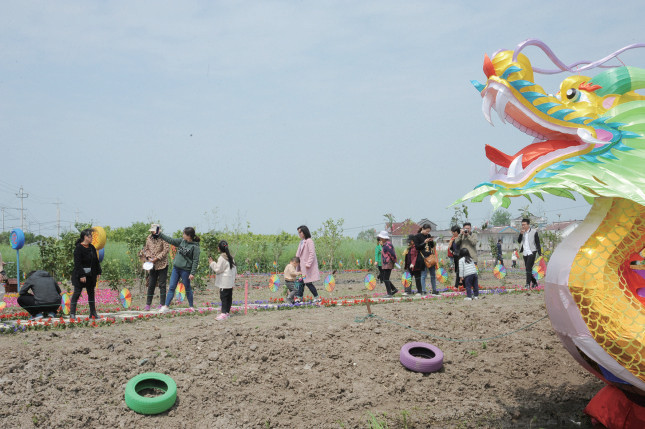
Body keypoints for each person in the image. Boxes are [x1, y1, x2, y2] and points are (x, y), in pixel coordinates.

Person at [159, 227, 201, 313]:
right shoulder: (181, 241)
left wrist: (192, 273)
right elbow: (170, 240)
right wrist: (160, 234)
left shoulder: (195, 247)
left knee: (187, 287)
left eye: (184, 234)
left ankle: (191, 306)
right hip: (176, 268)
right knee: (171, 287)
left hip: (185, 270)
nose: (183, 235)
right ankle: (166, 306)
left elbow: (195, 261)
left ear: (189, 236)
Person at [70, 229, 102, 319]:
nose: (92, 238)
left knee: (91, 293)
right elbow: (77, 263)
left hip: (91, 275)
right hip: (80, 275)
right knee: (77, 293)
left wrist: (98, 271)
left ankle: (93, 313)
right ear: (85, 237)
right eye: (90, 236)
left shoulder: (92, 247)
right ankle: (72, 314)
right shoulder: (78, 248)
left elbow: (96, 261)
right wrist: (82, 275)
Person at [140, 224, 170, 311]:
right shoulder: (149, 238)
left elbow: (166, 250)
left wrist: (157, 258)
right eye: (152, 231)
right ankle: (148, 304)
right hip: (152, 264)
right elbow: (146, 249)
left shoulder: (164, 238)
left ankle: (162, 304)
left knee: (162, 284)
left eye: (154, 231)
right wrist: (149, 257)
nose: (152, 232)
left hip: (162, 264)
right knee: (151, 284)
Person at [209, 240, 237, 320]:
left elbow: (218, 269)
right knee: (229, 297)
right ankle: (227, 312)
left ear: (218, 248)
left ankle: (223, 313)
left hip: (224, 282)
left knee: (224, 298)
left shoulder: (222, 257)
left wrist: (212, 263)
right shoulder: (230, 257)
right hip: (230, 281)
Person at [295, 225, 321, 303]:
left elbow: (312, 253)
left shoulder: (309, 241)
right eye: (298, 232)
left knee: (308, 283)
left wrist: (308, 264)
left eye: (300, 232)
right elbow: (298, 254)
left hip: (306, 267)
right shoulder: (301, 242)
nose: (299, 234)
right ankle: (299, 298)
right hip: (301, 267)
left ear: (304, 232)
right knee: (300, 282)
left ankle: (317, 297)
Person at [414, 224, 438, 295]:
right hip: (422, 258)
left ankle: (434, 289)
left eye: (428, 231)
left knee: (433, 275)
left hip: (430, 257)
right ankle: (423, 290)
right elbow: (417, 247)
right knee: (423, 275)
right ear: (423, 229)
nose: (427, 233)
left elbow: (432, 246)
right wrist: (424, 242)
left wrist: (431, 241)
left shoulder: (428, 235)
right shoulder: (417, 236)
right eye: (426, 231)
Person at [518, 218, 542, 289]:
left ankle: (527, 284)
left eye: (524, 225)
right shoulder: (522, 232)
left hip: (532, 252)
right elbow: (519, 241)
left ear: (528, 224)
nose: (523, 226)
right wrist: (520, 234)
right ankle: (534, 282)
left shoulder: (534, 232)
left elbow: (537, 243)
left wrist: (540, 252)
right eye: (522, 225)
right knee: (528, 269)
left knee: (528, 268)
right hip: (525, 253)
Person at [377, 231, 399, 296]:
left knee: (386, 278)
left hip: (388, 263)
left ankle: (389, 293)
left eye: (381, 238)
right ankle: (394, 289)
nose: (380, 239)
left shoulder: (388, 245)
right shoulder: (385, 245)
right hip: (385, 263)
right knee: (385, 278)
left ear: (384, 238)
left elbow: (392, 254)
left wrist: (394, 261)